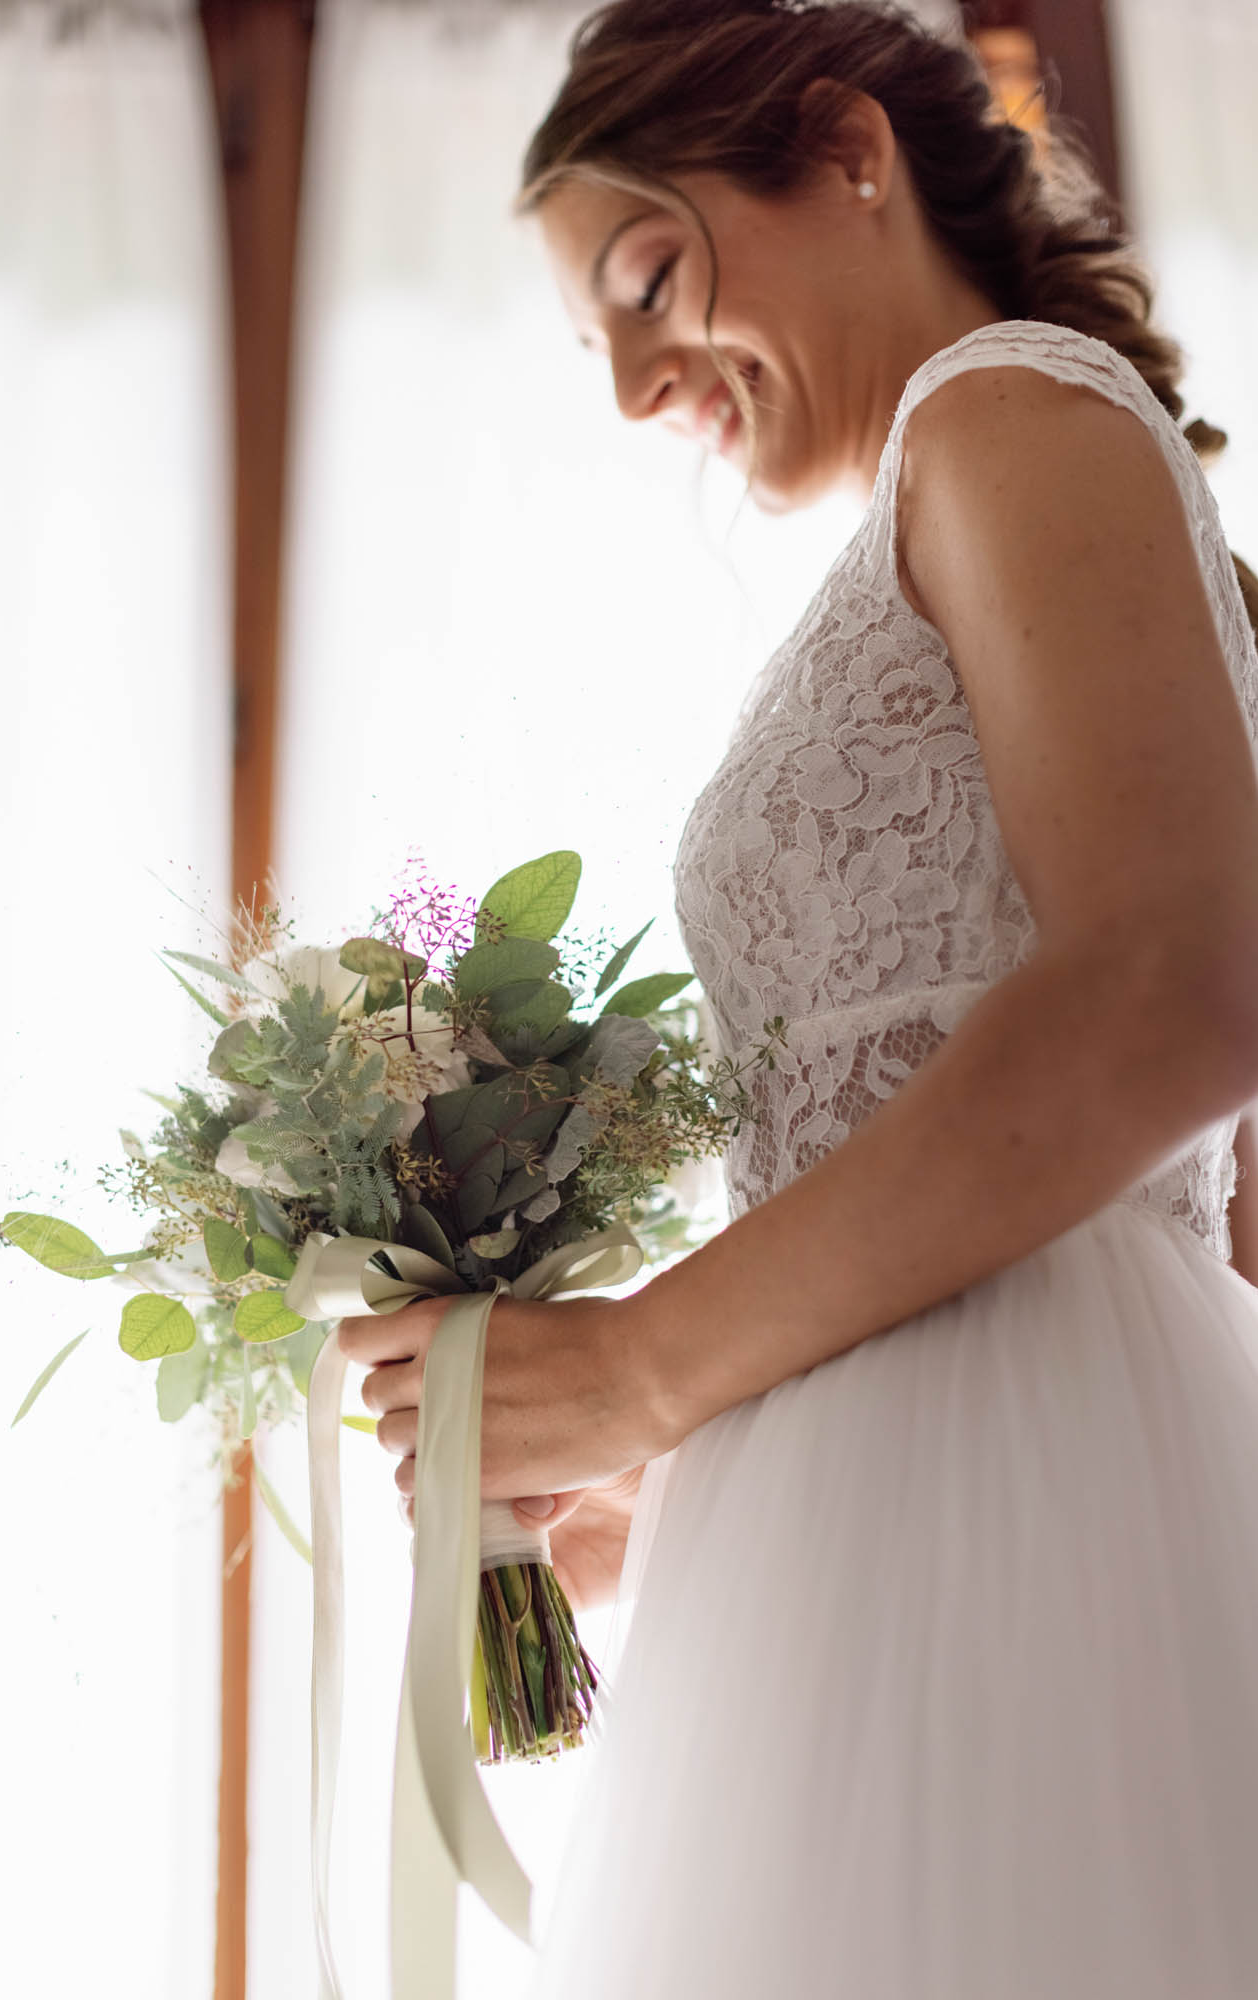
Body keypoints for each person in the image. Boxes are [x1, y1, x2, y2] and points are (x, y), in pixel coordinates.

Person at [337, 1, 1258, 1991]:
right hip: (950, 1527)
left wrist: (644, 1366)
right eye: (598, 347)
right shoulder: (973, 488)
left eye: (646, 281)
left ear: (848, 153)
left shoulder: (1008, 410)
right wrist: (668, 1489)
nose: (636, 386)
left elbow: (1172, 994)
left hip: (1026, 1535)